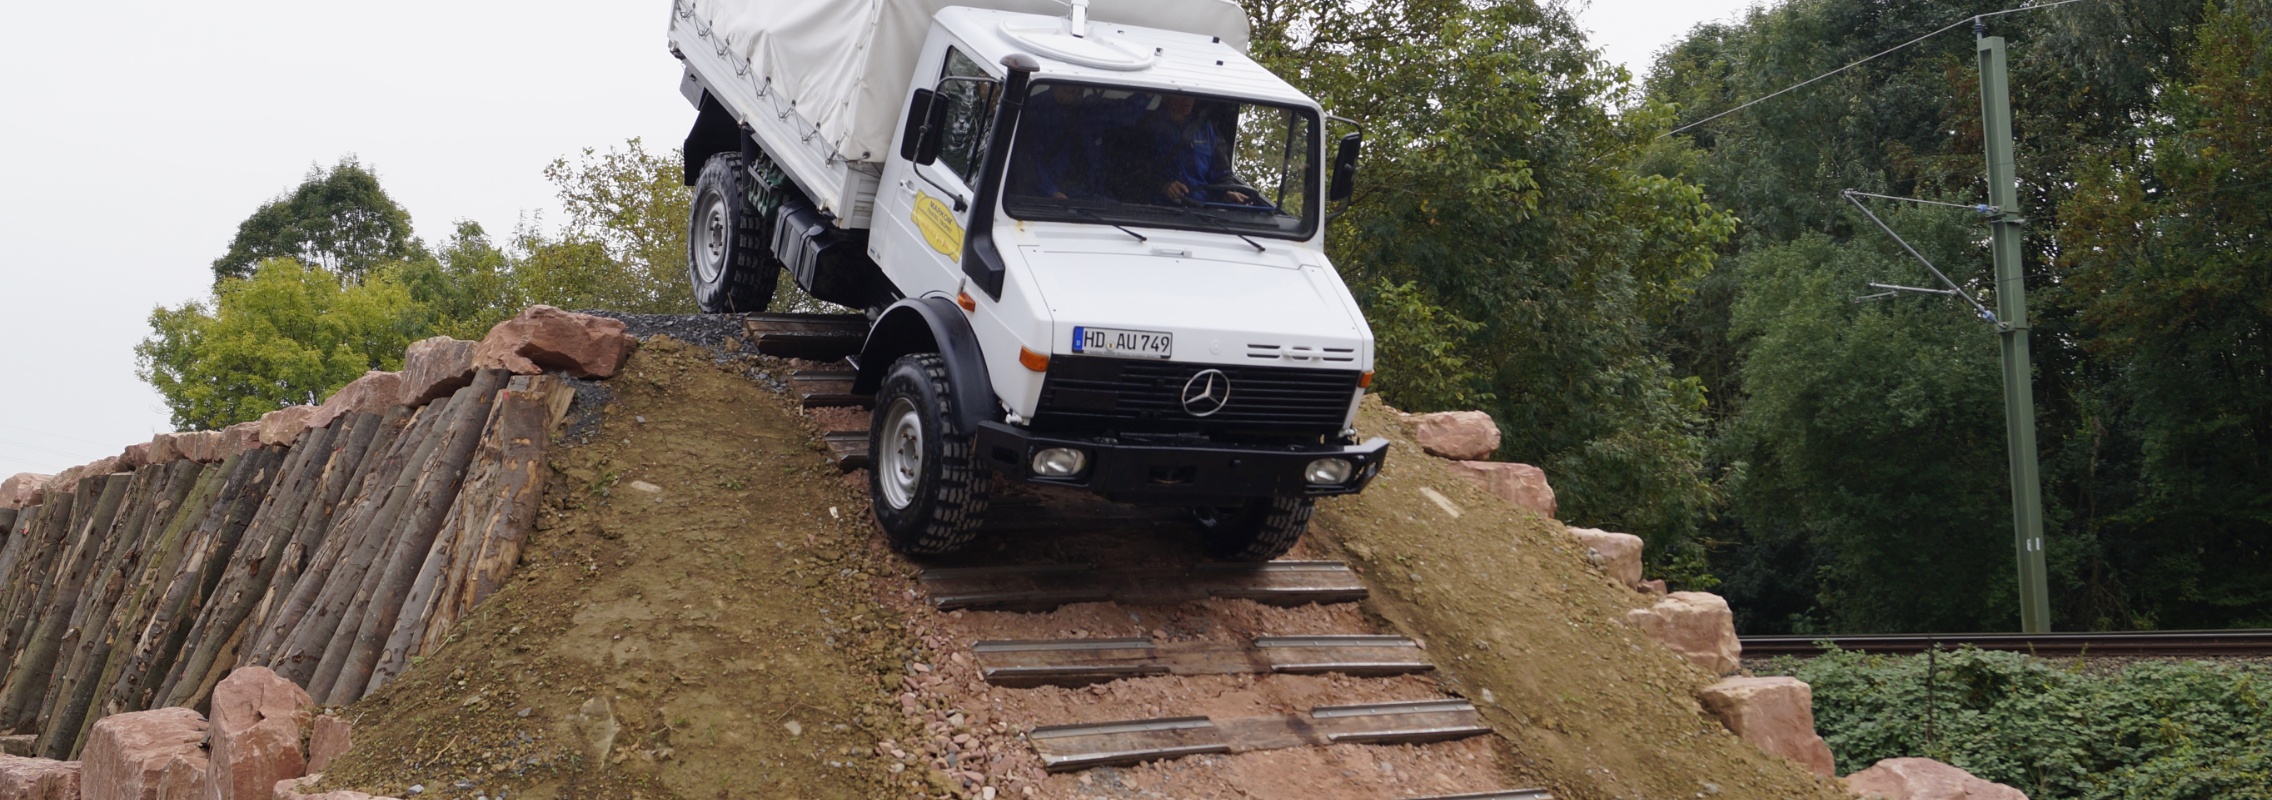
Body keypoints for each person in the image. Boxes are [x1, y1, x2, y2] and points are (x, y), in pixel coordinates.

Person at [1146, 94, 1251, 206]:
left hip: (1200, 212)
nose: (1186, 99)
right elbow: (1136, 171)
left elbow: (1222, 173)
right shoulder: (1149, 127)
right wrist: (1164, 186)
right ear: (1167, 96)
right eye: (1181, 95)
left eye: (1191, 95)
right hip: (1157, 210)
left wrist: (1228, 191)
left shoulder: (1207, 130)